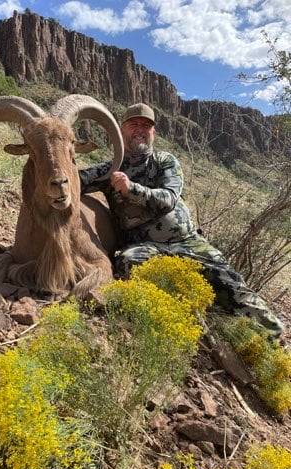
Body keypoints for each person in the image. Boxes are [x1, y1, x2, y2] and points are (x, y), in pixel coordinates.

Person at [79, 102, 283, 338]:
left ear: (153, 132)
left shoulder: (166, 161)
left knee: (234, 286)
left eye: (146, 126)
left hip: (187, 242)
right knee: (127, 262)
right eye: (134, 124)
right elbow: (73, 180)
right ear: (121, 129)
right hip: (145, 247)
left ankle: (276, 338)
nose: (140, 129)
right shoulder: (109, 169)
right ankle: (178, 319)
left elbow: (168, 199)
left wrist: (131, 188)